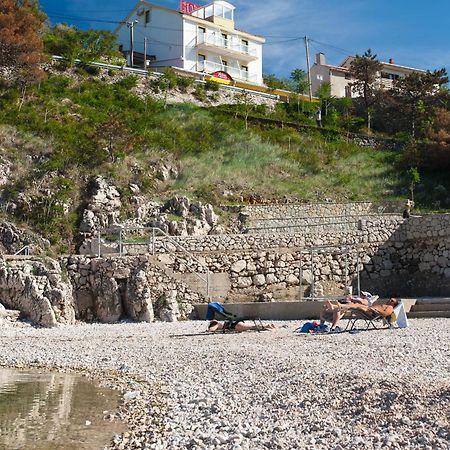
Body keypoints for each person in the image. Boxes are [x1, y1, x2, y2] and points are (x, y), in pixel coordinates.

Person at [319, 298, 399, 332]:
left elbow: (385, 313)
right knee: (353, 304)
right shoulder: (386, 305)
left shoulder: (390, 307)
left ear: (394, 304)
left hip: (372, 313)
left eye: (391, 300)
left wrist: (375, 310)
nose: (389, 300)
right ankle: (336, 306)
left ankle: (337, 306)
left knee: (356, 305)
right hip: (369, 310)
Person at [207, 320, 276, 332]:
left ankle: (267, 326)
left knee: (252, 327)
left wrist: (208, 329)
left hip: (235, 326)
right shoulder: (221, 323)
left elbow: (211, 330)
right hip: (235, 324)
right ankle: (266, 326)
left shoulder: (217, 324)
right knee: (252, 327)